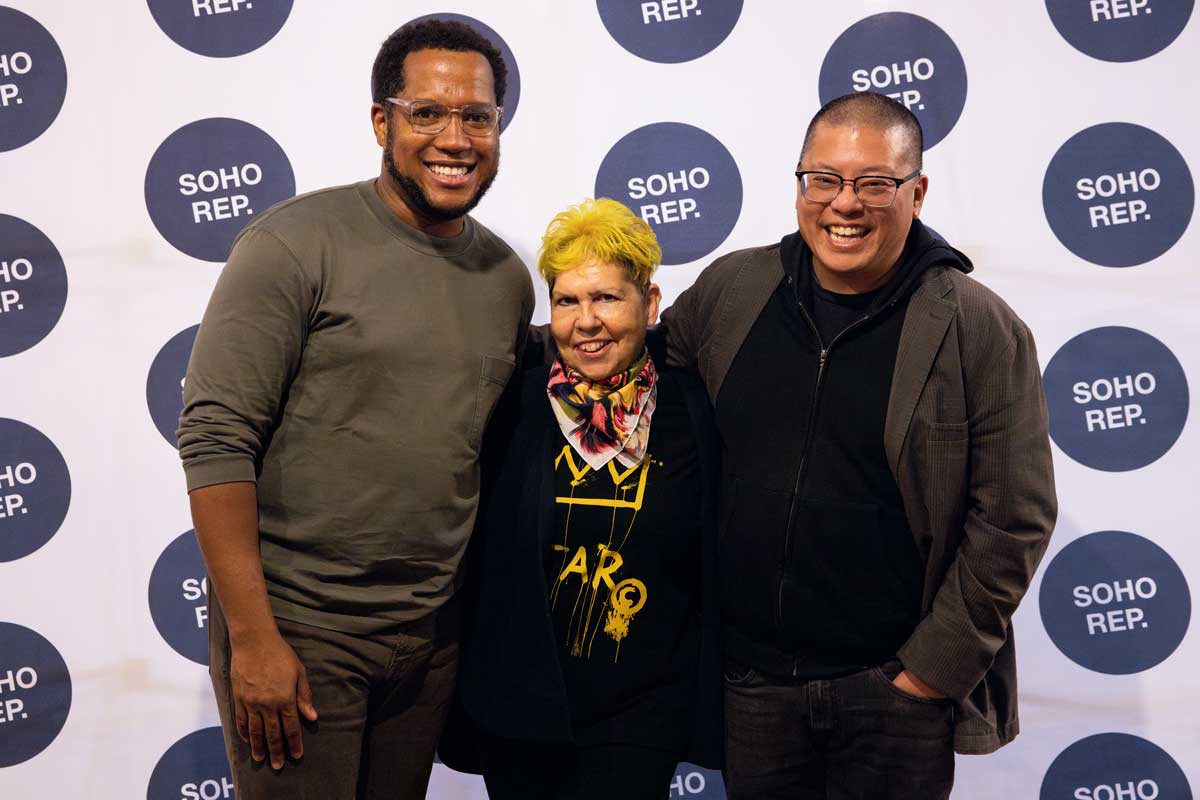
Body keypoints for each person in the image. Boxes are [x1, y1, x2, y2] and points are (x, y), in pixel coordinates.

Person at [660, 91, 1057, 799]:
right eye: (825, 179)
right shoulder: (733, 289)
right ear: (801, 185)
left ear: (917, 191)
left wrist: (928, 673)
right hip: (750, 686)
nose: (846, 204)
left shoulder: (978, 328)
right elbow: (638, 379)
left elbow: (1014, 516)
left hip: (893, 696)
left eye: (875, 183)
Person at [176, 19, 533, 800]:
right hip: (303, 634)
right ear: (383, 121)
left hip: (429, 646)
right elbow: (214, 439)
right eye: (427, 113)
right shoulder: (295, 244)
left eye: (477, 116)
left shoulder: (507, 278)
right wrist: (254, 641)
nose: (455, 137)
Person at [445, 198, 722, 799]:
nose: (585, 321)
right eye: (568, 301)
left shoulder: (693, 408)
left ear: (649, 304)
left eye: (606, 298)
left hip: (642, 712)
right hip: (519, 709)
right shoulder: (510, 404)